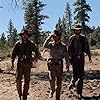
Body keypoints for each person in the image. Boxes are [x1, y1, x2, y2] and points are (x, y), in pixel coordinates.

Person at [11, 28, 41, 100]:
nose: (24, 36)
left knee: (27, 81)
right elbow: (14, 53)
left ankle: (24, 96)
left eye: (26, 35)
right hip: (20, 64)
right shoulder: (18, 44)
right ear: (21, 36)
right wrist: (12, 62)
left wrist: (35, 58)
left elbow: (37, 52)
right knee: (18, 80)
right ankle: (20, 95)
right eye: (23, 35)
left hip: (28, 64)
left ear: (28, 36)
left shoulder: (31, 44)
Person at [43, 30, 70, 100]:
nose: (54, 37)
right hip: (51, 64)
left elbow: (66, 56)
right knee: (51, 79)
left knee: (59, 81)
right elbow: (44, 45)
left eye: (56, 36)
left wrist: (67, 64)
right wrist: (49, 37)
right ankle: (52, 90)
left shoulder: (63, 46)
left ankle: (57, 97)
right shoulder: (51, 44)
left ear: (59, 37)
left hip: (59, 65)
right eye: (54, 35)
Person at [68, 24, 92, 98]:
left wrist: (89, 56)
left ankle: (79, 92)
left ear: (80, 30)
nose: (77, 31)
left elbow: (87, 47)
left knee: (81, 75)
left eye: (78, 30)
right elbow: (69, 49)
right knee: (75, 74)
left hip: (81, 57)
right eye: (76, 30)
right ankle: (72, 82)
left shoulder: (83, 38)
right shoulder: (71, 38)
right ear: (74, 31)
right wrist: (69, 59)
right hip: (74, 58)